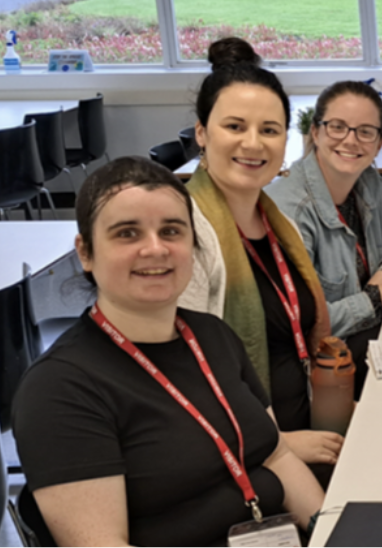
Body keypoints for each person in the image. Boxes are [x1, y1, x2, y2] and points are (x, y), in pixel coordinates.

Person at [13, 157, 323, 546]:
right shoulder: (60, 389)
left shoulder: (213, 335)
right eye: (127, 233)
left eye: (171, 230)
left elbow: (277, 456)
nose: (155, 249)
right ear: (86, 253)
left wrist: (332, 534)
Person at [178, 37, 344, 484]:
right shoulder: (185, 235)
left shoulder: (277, 223)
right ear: (201, 133)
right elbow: (185, 382)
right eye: (235, 126)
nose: (253, 144)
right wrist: (280, 442)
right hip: (249, 459)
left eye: (269, 130)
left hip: (307, 428)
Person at [268, 80, 382, 398]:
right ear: (315, 132)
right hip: (318, 377)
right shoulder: (290, 211)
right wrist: (379, 295)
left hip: (367, 343)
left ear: (379, 143)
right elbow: (302, 326)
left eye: (365, 131)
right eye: (337, 127)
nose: (351, 140)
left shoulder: (368, 183)